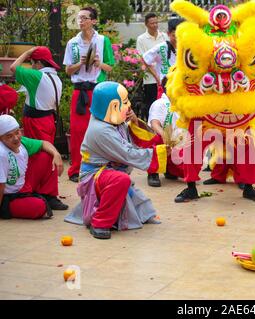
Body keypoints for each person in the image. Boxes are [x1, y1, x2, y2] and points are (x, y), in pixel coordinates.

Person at [64, 81, 167, 240]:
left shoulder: (108, 120)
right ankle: (100, 223)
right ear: (112, 106)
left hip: (108, 173)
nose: (129, 105)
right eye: (125, 102)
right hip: (96, 177)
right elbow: (128, 153)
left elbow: (132, 141)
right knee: (121, 180)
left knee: (127, 187)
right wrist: (161, 153)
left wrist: (133, 121)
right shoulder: (101, 130)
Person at [63, 6, 115, 183]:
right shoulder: (72, 43)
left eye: (85, 18)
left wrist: (99, 63)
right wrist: (80, 63)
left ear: (93, 21)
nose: (81, 21)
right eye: (79, 18)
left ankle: (101, 168)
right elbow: (68, 71)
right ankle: (76, 169)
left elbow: (110, 67)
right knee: (78, 131)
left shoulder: (103, 41)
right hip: (80, 90)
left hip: (98, 90)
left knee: (101, 130)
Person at [0, 115, 67, 218]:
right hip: (7, 196)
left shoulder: (22, 142)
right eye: (9, 136)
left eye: (17, 132)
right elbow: (1, 185)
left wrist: (56, 154)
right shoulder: (1, 153)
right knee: (39, 207)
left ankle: (48, 196)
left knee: (48, 155)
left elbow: (44, 143)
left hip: (22, 186)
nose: (16, 138)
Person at [10, 46, 62, 143]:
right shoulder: (56, 77)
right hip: (49, 119)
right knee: (48, 151)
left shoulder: (37, 76)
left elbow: (13, 67)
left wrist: (27, 52)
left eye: (32, 63)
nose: (32, 66)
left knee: (38, 154)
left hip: (36, 122)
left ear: (38, 63)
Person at [145, 77, 184, 187]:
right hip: (162, 141)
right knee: (156, 138)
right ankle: (153, 173)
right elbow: (154, 124)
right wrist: (165, 136)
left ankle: (168, 168)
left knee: (186, 171)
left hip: (175, 142)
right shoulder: (159, 103)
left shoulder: (180, 104)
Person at [136, 13, 168, 121]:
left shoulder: (164, 36)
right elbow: (144, 60)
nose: (154, 25)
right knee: (152, 105)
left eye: (156, 23)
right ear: (146, 24)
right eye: (152, 23)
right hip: (150, 80)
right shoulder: (141, 39)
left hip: (165, 78)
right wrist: (156, 76)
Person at [142, 18, 183, 91]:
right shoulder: (162, 47)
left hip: (182, 85)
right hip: (166, 86)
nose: (177, 38)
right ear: (168, 33)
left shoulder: (186, 48)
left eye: (179, 35)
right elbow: (145, 59)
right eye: (174, 35)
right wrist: (157, 77)